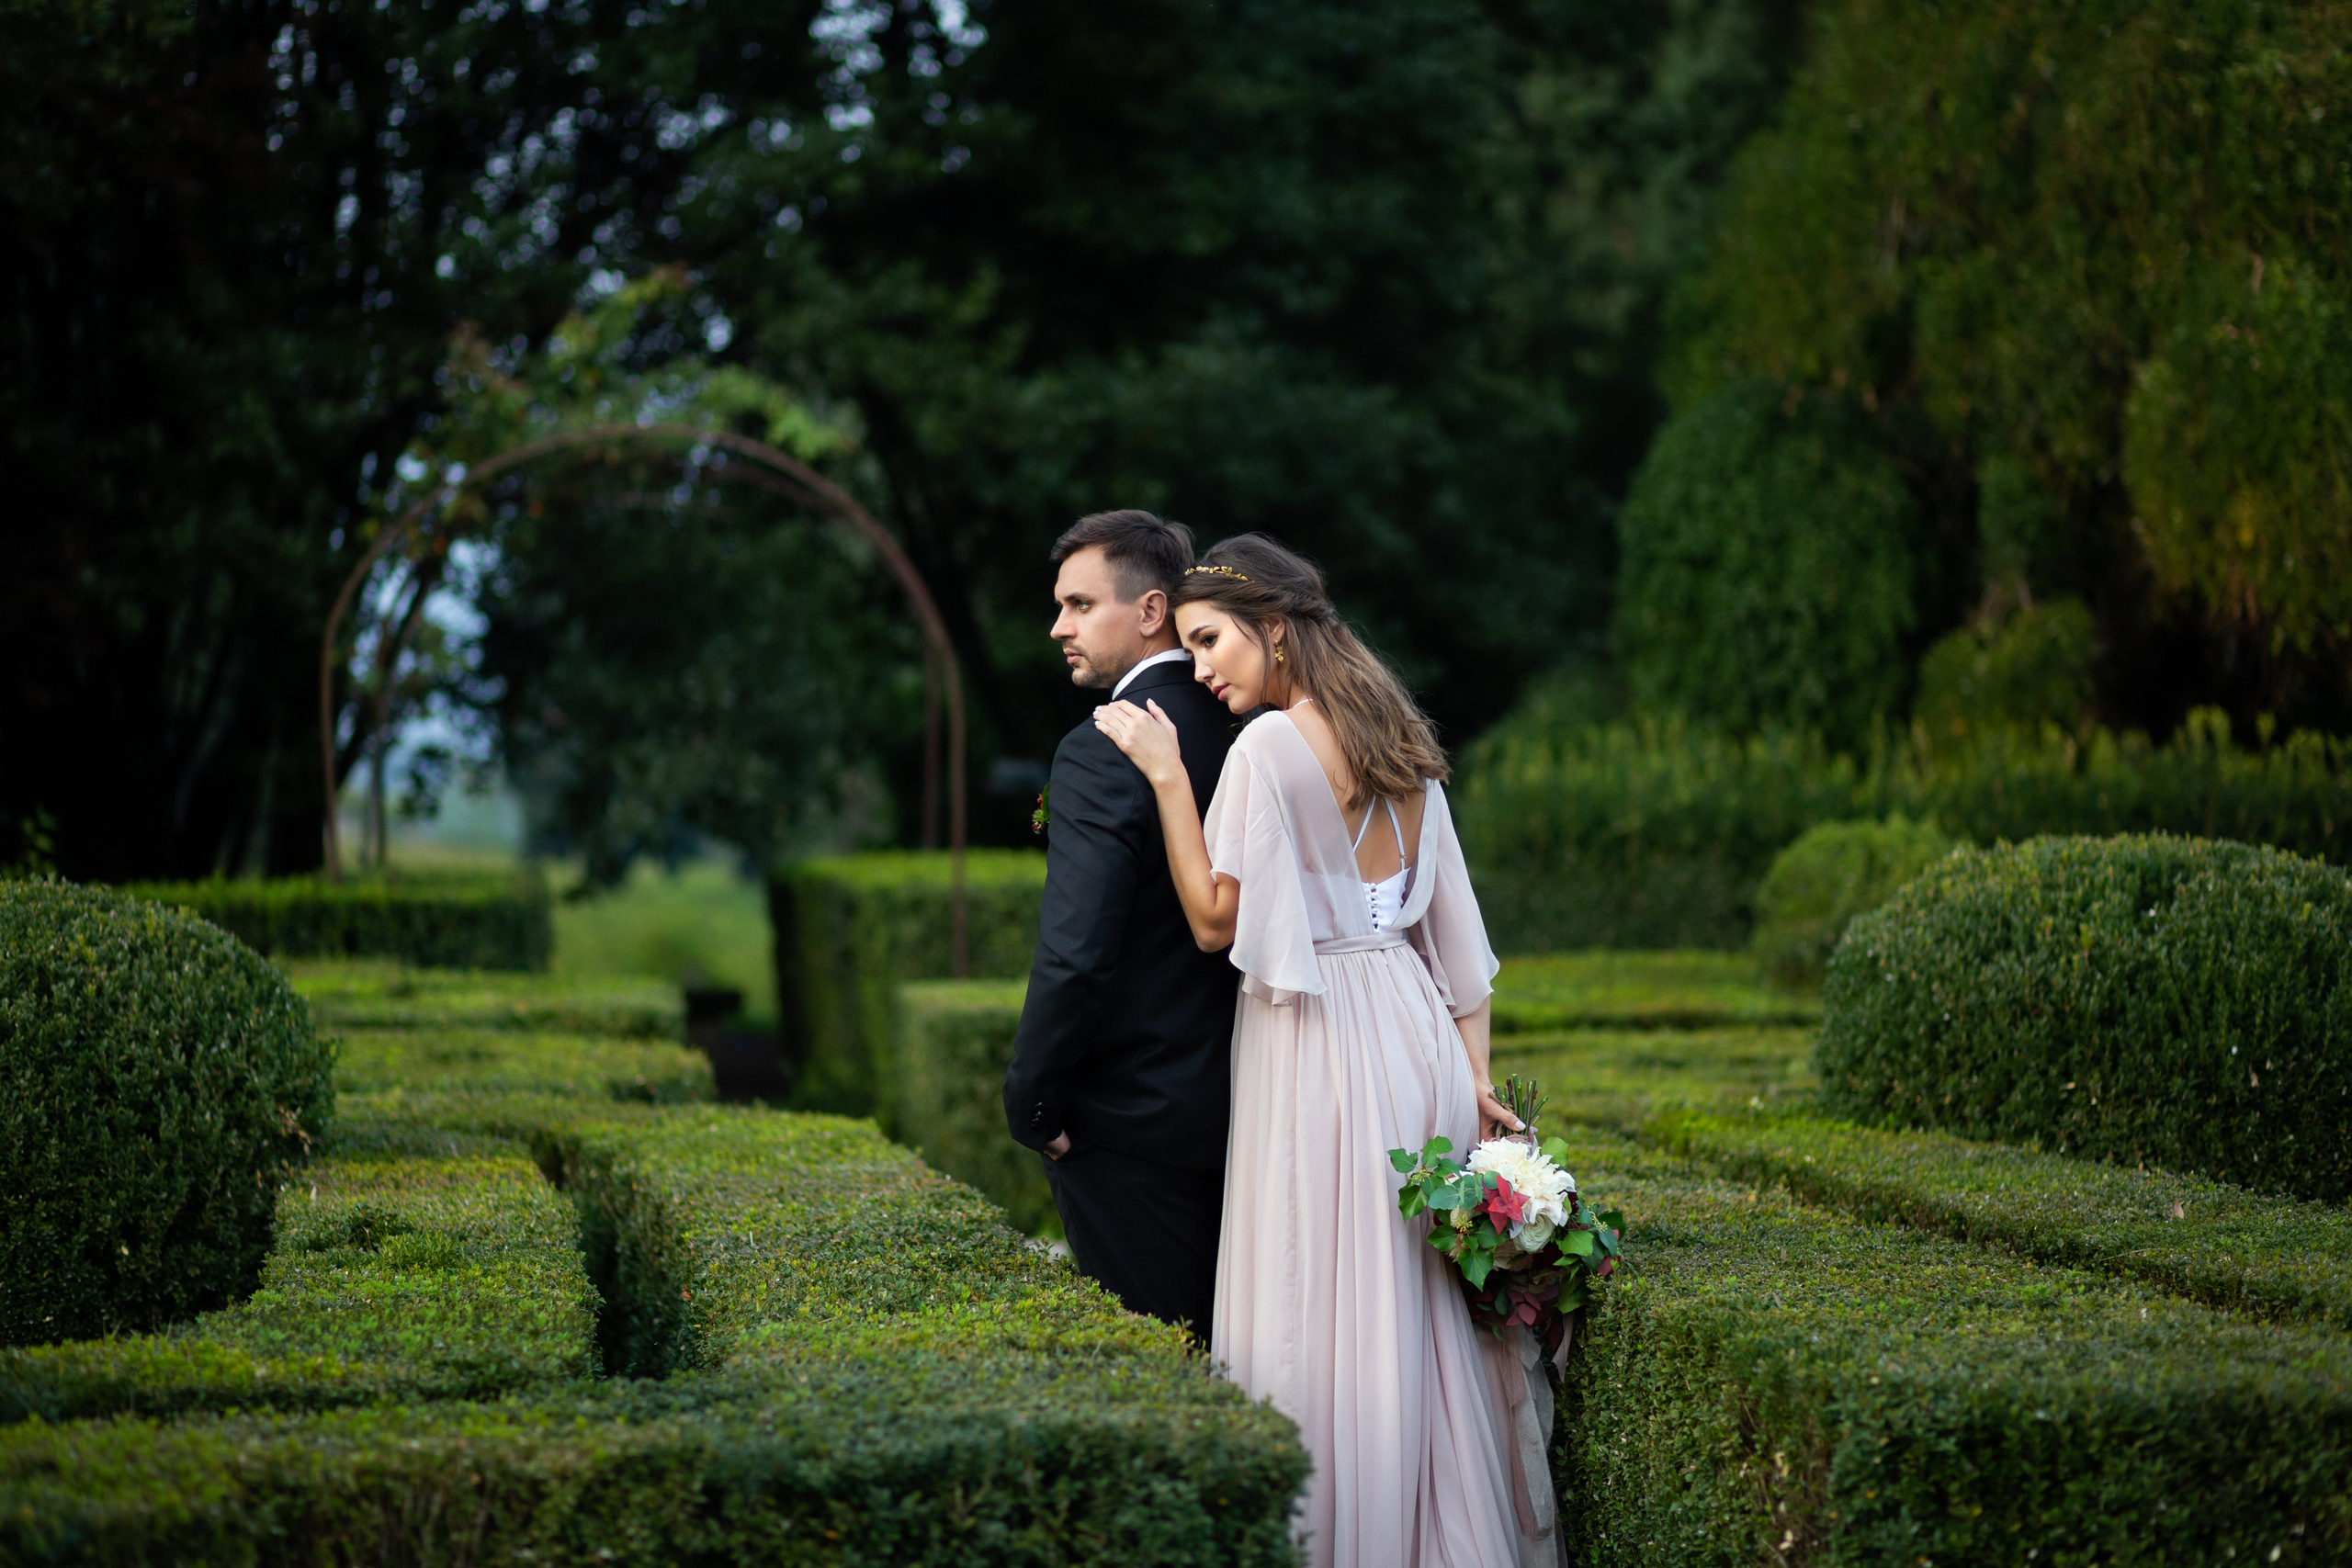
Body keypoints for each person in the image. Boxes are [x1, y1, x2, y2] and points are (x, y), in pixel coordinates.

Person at [1091, 533, 1560, 1568]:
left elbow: (1215, 920)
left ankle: (1332, 1538)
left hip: (1318, 1040)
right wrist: (1474, 1080)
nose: (1199, 668)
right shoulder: (1402, 740)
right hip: (1418, 1038)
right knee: (1414, 1304)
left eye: (1210, 640)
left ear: (1273, 630)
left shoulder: (1266, 748)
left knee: (1313, 1294)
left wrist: (1167, 777)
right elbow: (1462, 953)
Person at [1001, 509, 1242, 1343]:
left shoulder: (1102, 747)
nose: (1058, 627)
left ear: (1149, 611)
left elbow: (1074, 953)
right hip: (1255, 1107)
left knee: (1165, 1370)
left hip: (1131, 1129)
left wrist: (1033, 1104)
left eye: (1079, 604)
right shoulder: (1252, 725)